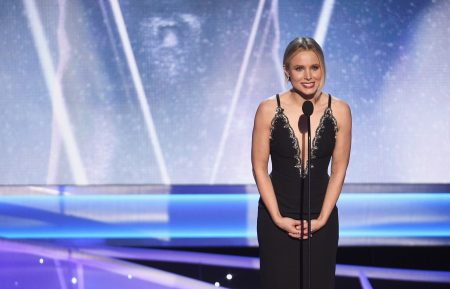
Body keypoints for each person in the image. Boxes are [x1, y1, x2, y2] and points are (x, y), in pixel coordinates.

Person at [251, 37, 352, 289]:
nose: (308, 76)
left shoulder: (340, 110)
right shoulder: (268, 109)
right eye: (299, 68)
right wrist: (276, 216)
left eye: (314, 67)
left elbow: (339, 169)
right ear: (287, 71)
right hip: (277, 219)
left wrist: (322, 218)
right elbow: (259, 167)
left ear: (322, 68)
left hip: (321, 219)